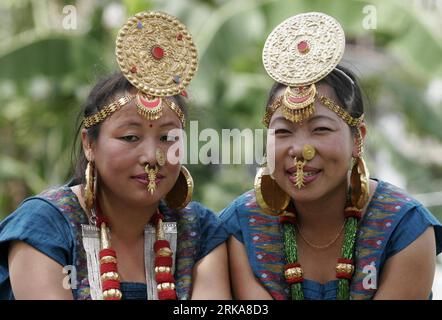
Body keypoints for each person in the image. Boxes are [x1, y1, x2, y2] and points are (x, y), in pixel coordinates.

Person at [0, 11, 230, 300]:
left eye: (168, 138)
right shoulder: (45, 225)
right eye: (130, 137)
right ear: (89, 144)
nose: (152, 156)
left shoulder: (199, 231)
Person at [219, 12, 442, 300]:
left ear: (357, 137)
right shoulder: (241, 226)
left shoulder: (404, 229)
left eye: (320, 129)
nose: (300, 150)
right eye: (284, 132)